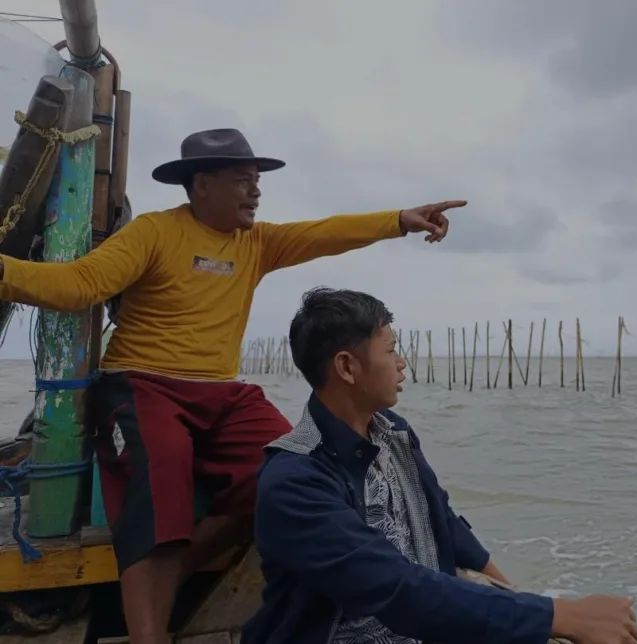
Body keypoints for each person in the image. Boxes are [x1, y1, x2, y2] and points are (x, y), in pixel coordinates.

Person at [0, 128, 467, 644]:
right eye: (243, 181)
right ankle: (148, 636)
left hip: (223, 393)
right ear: (202, 184)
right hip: (141, 385)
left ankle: (169, 583)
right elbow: (80, 284)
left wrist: (400, 221)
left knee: (291, 472)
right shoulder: (154, 233)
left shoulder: (257, 243)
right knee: (159, 489)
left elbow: (324, 232)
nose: (256, 191)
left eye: (257, 181)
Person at [244, 287, 637, 644]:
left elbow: (443, 520)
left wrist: (520, 599)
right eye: (391, 350)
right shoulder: (295, 480)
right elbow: (394, 588)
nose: (402, 364)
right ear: (347, 367)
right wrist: (560, 615)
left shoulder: (392, 433)